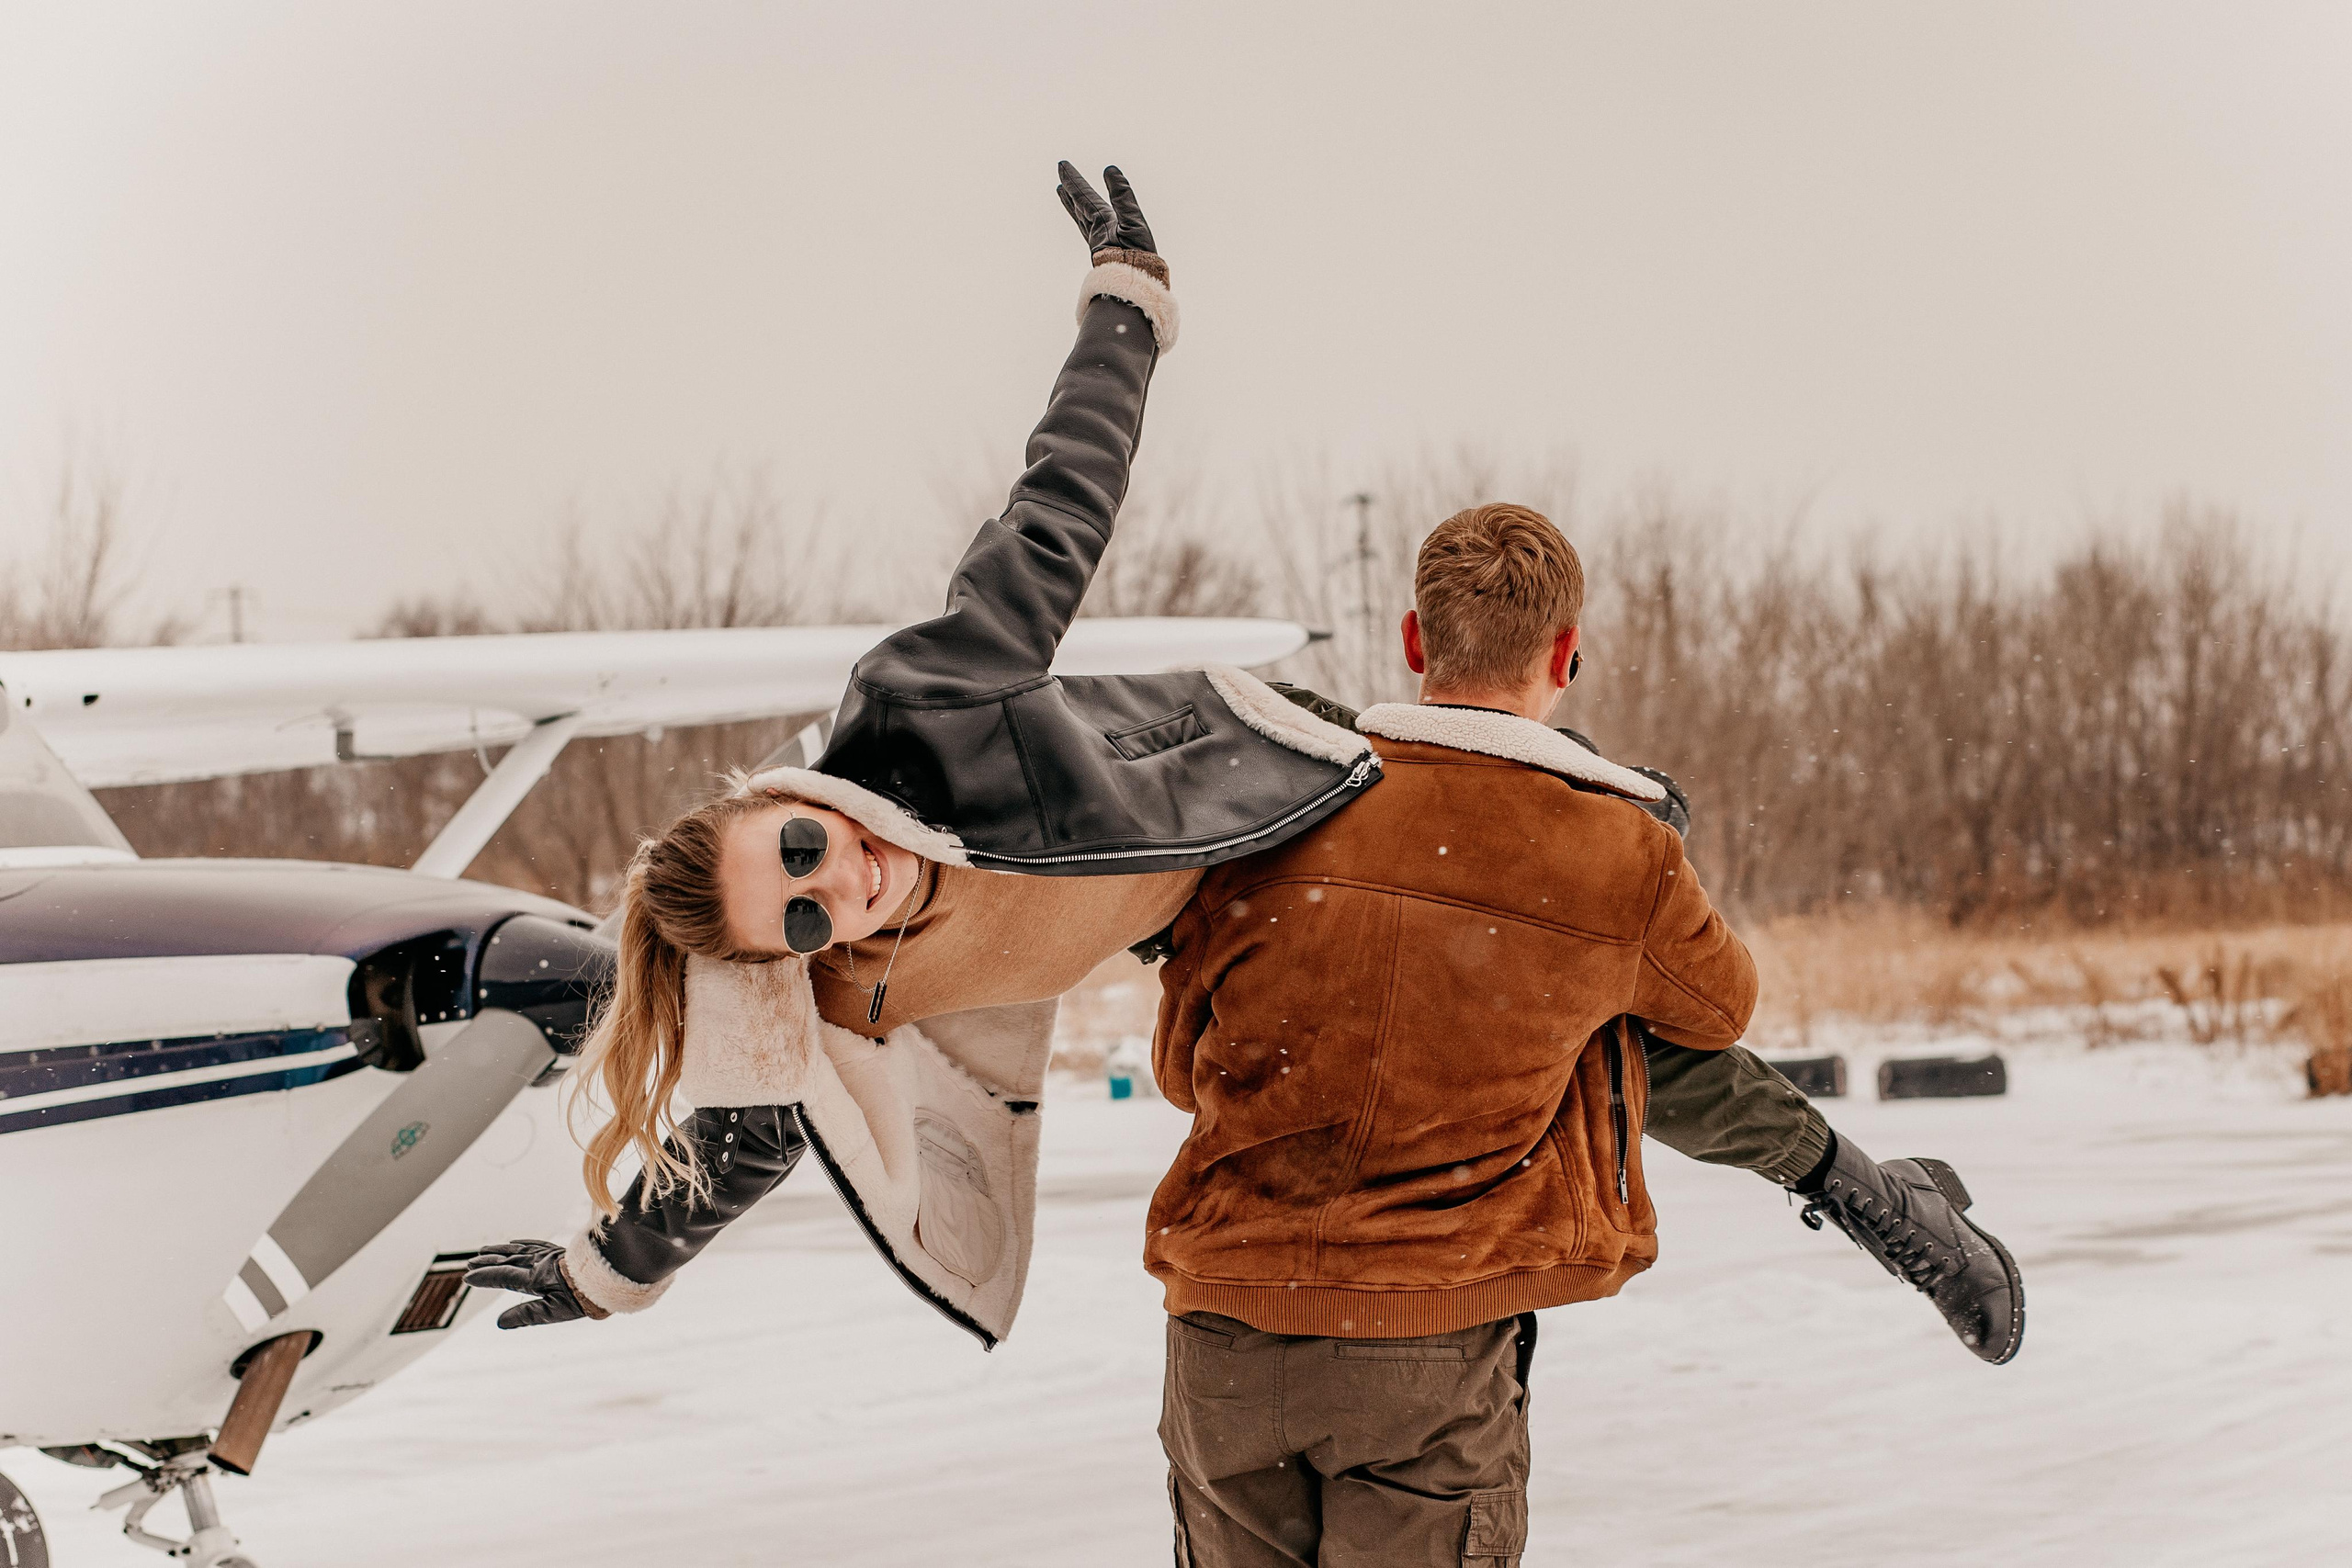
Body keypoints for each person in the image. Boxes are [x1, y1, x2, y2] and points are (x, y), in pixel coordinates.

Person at [466, 168, 2018, 1405]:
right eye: (802, 917)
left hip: (1254, 789)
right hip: (1189, 921)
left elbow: (1057, 512)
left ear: (785, 792)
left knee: (1559, 955)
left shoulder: (922, 701)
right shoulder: (792, 989)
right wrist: (605, 1274)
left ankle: (1878, 1203)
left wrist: (1126, 306)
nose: (838, 887)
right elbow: (740, 1144)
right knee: (1533, 1011)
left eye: (803, 848)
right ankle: (1873, 1185)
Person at [1147, 503, 2021, 1566]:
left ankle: (1866, 1192)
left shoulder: (1274, 804)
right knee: (1596, 1009)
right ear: (1566, 654)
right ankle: (1869, 1197)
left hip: (1225, 1331)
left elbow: (1181, 1055)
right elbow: (1717, 1013)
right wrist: (1611, 851)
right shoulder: (1609, 847)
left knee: (1556, 994)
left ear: (1414, 640)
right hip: (1419, 1336)